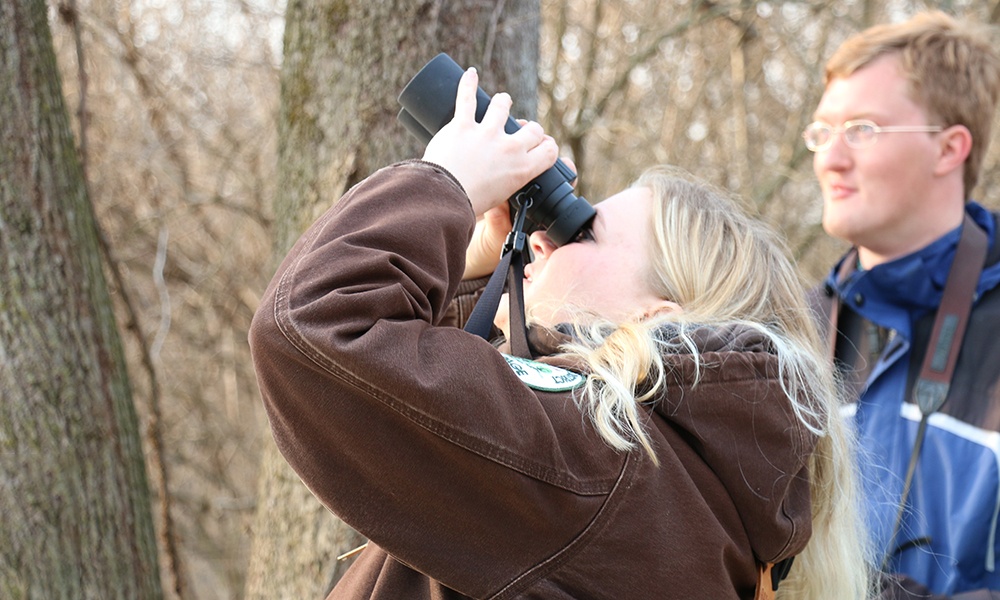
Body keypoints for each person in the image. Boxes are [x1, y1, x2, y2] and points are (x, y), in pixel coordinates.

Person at [250, 67, 872, 599]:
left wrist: (446, 185)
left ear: (659, 317)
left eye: (583, 229)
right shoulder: (668, 488)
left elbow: (311, 328)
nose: (543, 237)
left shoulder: (598, 462)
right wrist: (479, 265)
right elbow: (452, 385)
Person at [806, 10, 1000, 599]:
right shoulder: (794, 329)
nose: (830, 159)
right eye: (821, 132)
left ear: (950, 149)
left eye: (862, 129)